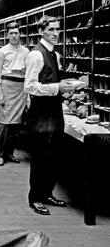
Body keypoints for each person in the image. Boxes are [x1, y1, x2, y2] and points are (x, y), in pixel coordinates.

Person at [24, 16, 75, 216]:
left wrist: (67, 87)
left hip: (54, 109)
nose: (56, 33)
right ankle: (35, 198)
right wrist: (57, 87)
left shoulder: (55, 54)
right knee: (40, 155)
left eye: (57, 29)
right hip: (40, 111)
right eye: (51, 29)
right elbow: (29, 86)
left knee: (53, 153)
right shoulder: (36, 55)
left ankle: (47, 193)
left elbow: (52, 81)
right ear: (41, 31)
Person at [0, 22, 29, 166]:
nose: (14, 36)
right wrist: (0, 94)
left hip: (21, 89)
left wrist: (28, 96)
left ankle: (10, 154)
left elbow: (29, 74)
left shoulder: (26, 51)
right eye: (11, 33)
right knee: (4, 125)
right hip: (6, 88)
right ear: (7, 35)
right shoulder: (1, 52)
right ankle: (1, 155)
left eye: (16, 33)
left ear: (20, 34)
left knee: (15, 125)